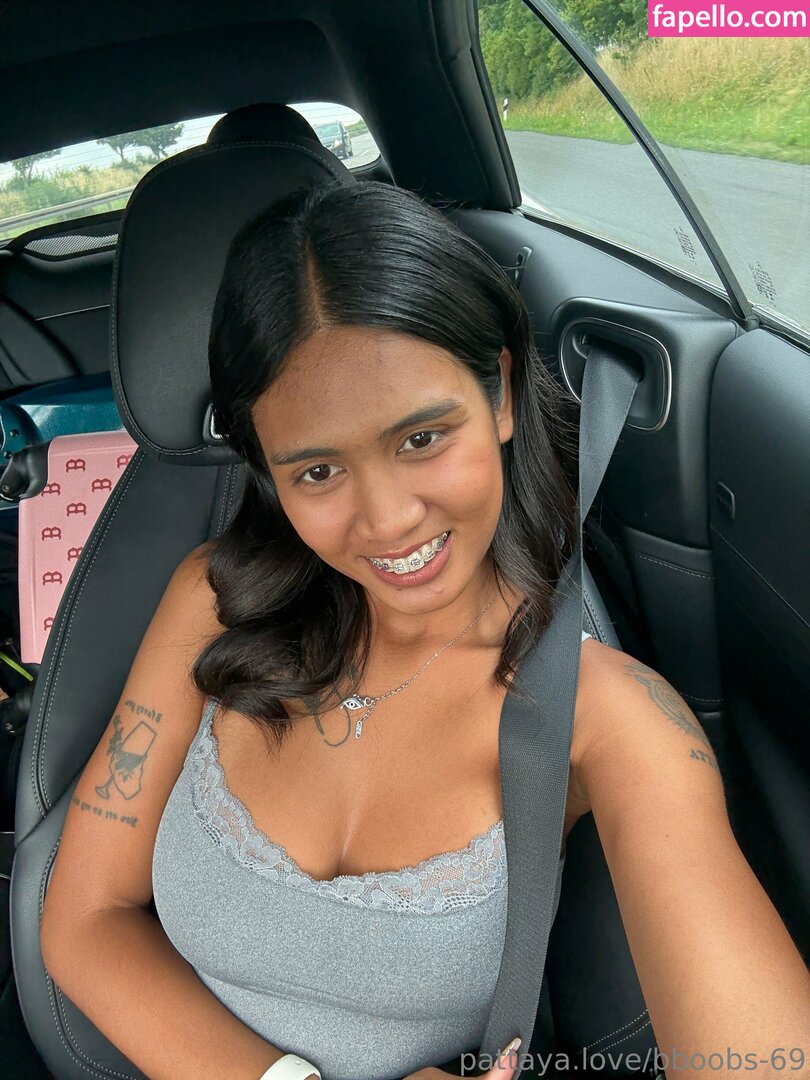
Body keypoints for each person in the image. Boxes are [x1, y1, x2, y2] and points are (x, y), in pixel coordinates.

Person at [40, 180, 810, 1080]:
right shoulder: (213, 603)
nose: (387, 520)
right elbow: (83, 917)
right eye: (318, 472)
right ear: (268, 471)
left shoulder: (606, 716)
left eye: (420, 439)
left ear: (502, 394)